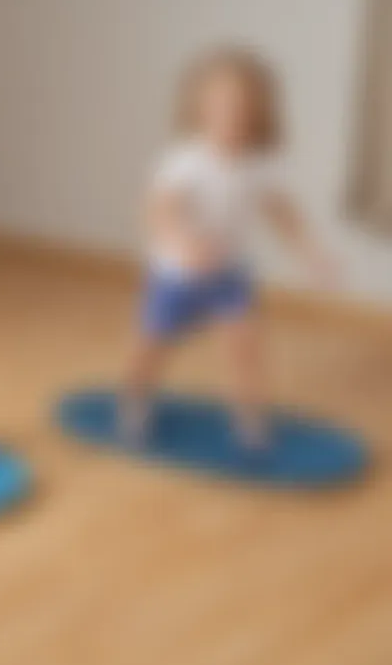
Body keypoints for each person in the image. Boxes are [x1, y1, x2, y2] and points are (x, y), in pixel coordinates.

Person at [121, 47, 335, 452]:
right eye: (219, 106)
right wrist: (181, 243)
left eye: (241, 107)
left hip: (229, 275)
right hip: (177, 275)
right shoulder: (184, 161)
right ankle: (135, 400)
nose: (231, 116)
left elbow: (283, 213)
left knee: (245, 346)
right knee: (151, 346)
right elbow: (158, 211)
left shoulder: (260, 164)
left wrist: (311, 253)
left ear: (259, 113)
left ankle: (249, 420)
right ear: (199, 109)